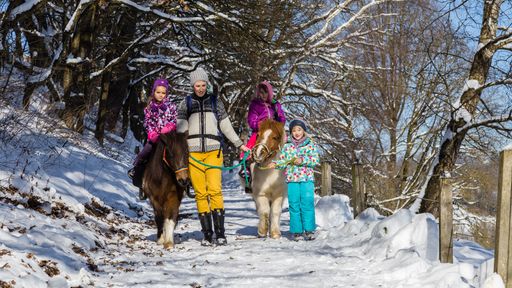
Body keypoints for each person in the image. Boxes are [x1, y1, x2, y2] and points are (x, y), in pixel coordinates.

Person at [177, 67, 249, 246]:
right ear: (192, 86)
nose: (200, 88)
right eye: (197, 85)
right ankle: (207, 234)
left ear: (207, 84)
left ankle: (221, 233)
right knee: (201, 193)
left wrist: (239, 144)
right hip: (193, 154)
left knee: (215, 190)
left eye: (203, 85)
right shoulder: (185, 104)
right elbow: (180, 129)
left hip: (213, 152)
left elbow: (226, 126)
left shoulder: (216, 102)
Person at [268, 119, 319, 241]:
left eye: (299, 129)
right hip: (292, 180)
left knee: (307, 204)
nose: (297, 132)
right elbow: (283, 161)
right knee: (294, 204)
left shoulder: (310, 144)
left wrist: (302, 160)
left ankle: (309, 230)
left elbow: (315, 160)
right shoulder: (287, 146)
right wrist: (275, 164)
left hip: (306, 179)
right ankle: (297, 231)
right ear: (291, 132)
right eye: (294, 130)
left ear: (304, 131)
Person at [128, 78, 177, 200]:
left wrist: (169, 128)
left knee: (179, 153)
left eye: (163, 93)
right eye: (158, 92)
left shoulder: (171, 106)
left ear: (167, 93)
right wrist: (152, 133)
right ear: (153, 92)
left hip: (169, 137)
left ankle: (184, 179)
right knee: (145, 152)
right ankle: (138, 173)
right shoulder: (149, 107)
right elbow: (147, 122)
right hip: (154, 137)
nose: (160, 95)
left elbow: (174, 120)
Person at [239, 81, 286, 192]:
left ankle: (285, 168)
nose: (263, 95)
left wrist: (279, 122)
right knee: (250, 147)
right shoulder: (255, 104)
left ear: (269, 93)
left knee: (284, 144)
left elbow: (282, 118)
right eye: (261, 92)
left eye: (265, 92)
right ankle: (247, 170)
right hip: (259, 131)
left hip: (273, 132)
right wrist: (260, 125)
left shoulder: (275, 104)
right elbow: (251, 120)